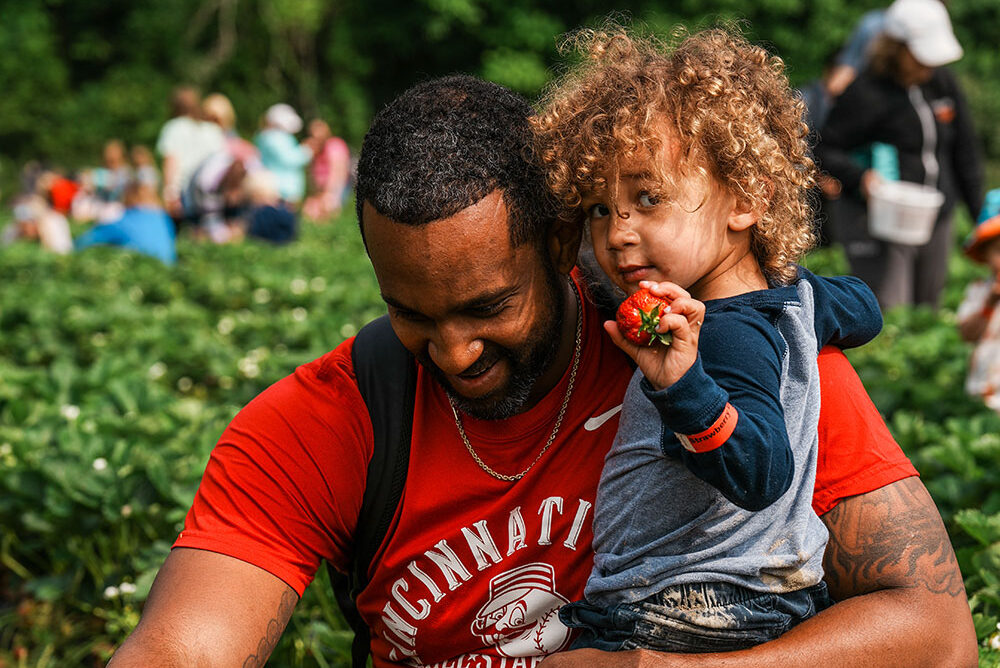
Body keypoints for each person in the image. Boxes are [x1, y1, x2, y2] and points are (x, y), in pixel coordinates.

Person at [108, 75, 977, 667]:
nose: (453, 353)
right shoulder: (319, 425)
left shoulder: (719, 345)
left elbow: (936, 634)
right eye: (412, 312)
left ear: (564, 243)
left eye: (488, 308)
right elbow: (182, 648)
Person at [533, 26, 884, 652]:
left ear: (746, 198)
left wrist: (683, 386)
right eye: (599, 208)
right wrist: (808, 294)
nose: (617, 234)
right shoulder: (793, 300)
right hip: (748, 597)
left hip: (682, 603)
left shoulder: (718, 334)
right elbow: (865, 309)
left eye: (647, 197)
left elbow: (761, 471)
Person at [814, 0, 984, 310]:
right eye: (920, 58)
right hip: (881, 219)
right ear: (896, 48)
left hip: (936, 214)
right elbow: (824, 148)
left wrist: (981, 219)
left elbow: (964, 151)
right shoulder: (866, 93)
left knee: (927, 309)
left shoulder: (941, 83)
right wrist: (860, 177)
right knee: (889, 309)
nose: (927, 67)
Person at [957, 188, 1000, 411]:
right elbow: (965, 334)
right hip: (984, 390)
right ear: (984, 254)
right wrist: (989, 304)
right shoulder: (978, 291)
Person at [155, 85, 226, 219]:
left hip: (184, 192)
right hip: (211, 193)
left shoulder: (173, 128)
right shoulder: (213, 130)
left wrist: (169, 194)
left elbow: (171, 161)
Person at [75, 182, 177, 265]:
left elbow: (85, 241)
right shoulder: (164, 218)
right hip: (168, 271)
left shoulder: (125, 221)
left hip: (140, 273)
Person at [254, 103, 314, 206]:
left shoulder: (265, 136)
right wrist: (307, 150)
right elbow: (289, 159)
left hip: (275, 187)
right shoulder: (276, 137)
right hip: (282, 189)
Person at [302, 117, 352, 221]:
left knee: (327, 209)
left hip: (335, 188)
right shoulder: (316, 150)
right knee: (310, 212)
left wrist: (329, 193)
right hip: (320, 189)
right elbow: (310, 173)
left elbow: (338, 172)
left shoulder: (334, 146)